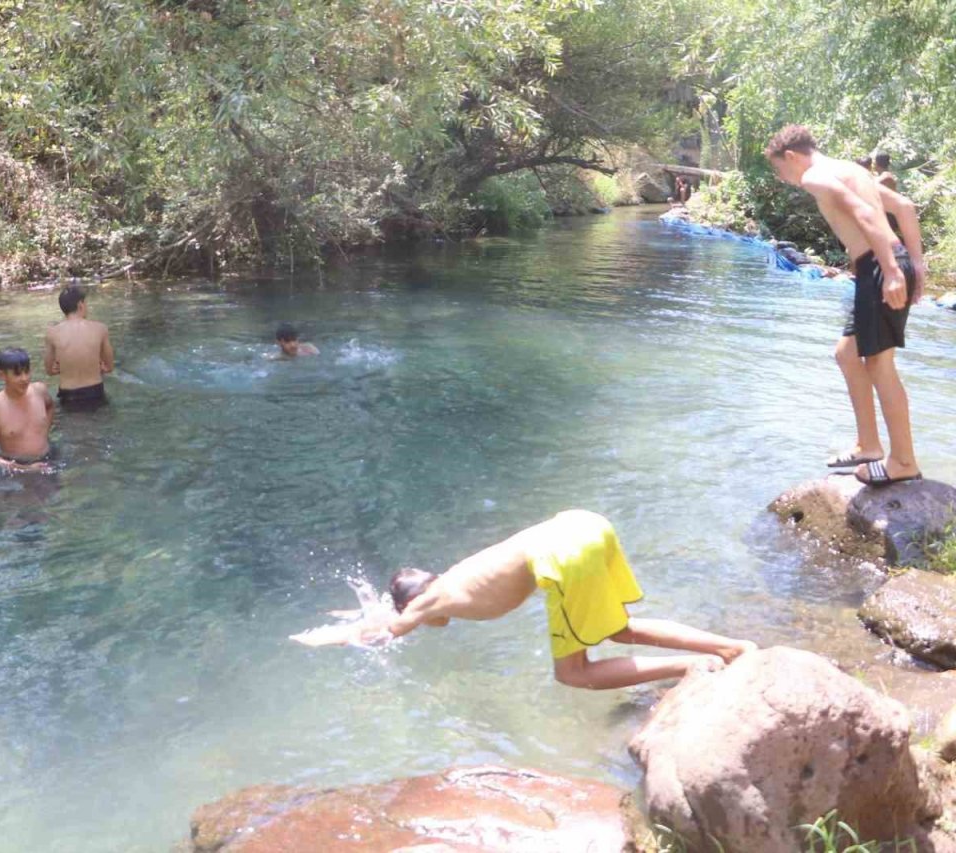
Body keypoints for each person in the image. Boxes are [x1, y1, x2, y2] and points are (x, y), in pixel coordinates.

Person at [294, 510, 757, 690]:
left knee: (572, 674)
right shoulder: (454, 576)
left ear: (410, 602)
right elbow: (386, 613)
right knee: (620, 628)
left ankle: (695, 668)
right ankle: (732, 646)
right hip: (583, 523)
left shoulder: (426, 606)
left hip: (561, 554)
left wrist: (325, 639)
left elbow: (379, 630)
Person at [766, 125, 926, 486]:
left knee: (880, 365)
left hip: (879, 267)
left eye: (780, 170)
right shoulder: (853, 171)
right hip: (887, 263)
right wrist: (914, 265)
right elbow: (904, 207)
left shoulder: (815, 177)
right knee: (847, 354)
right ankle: (868, 445)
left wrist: (890, 271)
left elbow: (866, 216)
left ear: (792, 156)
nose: (784, 178)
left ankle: (903, 461)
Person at [0, 347, 55, 472]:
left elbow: (50, 407)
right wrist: (25, 469)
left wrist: (44, 431)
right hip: (16, 468)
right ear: (1, 375)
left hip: (48, 459)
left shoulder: (39, 391)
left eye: (27, 371)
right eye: (17, 374)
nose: (25, 378)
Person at [44, 285, 114, 412]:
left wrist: (66, 365)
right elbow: (109, 367)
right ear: (81, 304)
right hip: (94, 391)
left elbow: (50, 371)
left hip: (68, 394)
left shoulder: (52, 333)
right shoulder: (100, 328)